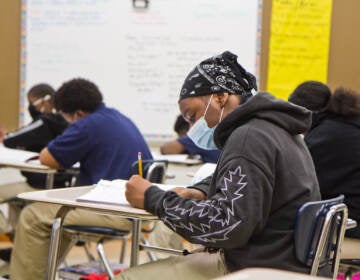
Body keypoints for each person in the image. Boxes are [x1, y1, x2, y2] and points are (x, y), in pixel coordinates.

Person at [120, 51, 321, 279]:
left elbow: (227, 226)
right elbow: (244, 179)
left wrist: (152, 198)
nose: (193, 126)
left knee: (128, 277)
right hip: (283, 259)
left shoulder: (247, 138)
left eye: (192, 115)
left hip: (257, 267)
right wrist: (200, 190)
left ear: (220, 97)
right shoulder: (275, 128)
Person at [9, 78, 153, 279]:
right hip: (136, 209)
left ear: (77, 114)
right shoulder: (117, 117)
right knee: (56, 215)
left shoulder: (87, 124)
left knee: (32, 216)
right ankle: (43, 272)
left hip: (114, 211)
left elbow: (47, 157)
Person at [289, 82, 360, 238]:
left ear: (305, 113)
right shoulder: (349, 125)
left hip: (351, 227)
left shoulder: (322, 138)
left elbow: (301, 189)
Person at [1, 83, 74, 189]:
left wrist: (5, 137)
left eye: (31, 102)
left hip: (41, 184)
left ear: (44, 102)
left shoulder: (44, 122)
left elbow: (10, 139)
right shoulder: (63, 120)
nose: (30, 106)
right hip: (58, 183)